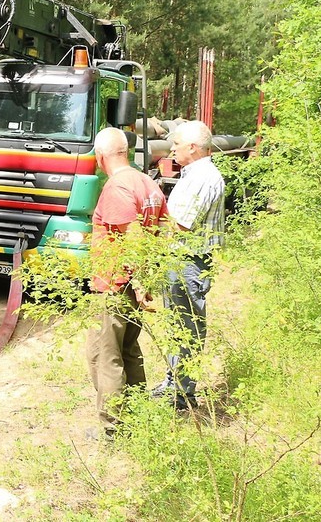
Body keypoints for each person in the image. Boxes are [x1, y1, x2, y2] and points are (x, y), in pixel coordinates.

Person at [85, 127, 168, 438]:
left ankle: (116, 427)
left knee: (103, 354)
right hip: (133, 286)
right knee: (129, 350)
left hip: (115, 287)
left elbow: (133, 237)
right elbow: (162, 231)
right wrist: (147, 279)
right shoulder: (148, 184)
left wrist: (136, 281)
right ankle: (138, 414)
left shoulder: (116, 188)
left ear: (100, 156)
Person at [153, 120, 225, 410]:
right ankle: (174, 382)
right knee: (177, 324)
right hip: (182, 259)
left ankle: (183, 393)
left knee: (187, 325)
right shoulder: (193, 173)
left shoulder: (204, 177)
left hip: (189, 262)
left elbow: (181, 224)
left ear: (193, 148)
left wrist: (147, 214)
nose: (172, 149)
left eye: (177, 145)